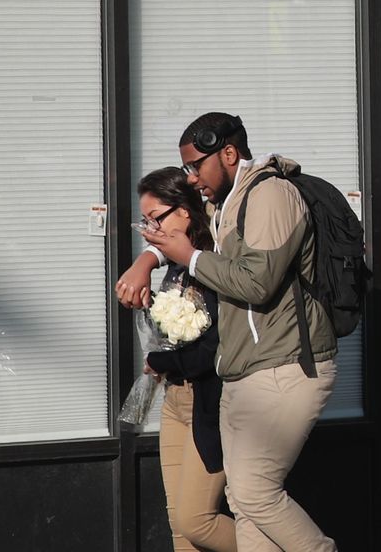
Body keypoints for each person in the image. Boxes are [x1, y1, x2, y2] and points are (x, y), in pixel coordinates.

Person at [119, 113, 339, 552]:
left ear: (229, 153)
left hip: (285, 366)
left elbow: (257, 280)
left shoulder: (271, 194)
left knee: (256, 493)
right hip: (243, 374)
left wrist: (190, 257)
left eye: (195, 167)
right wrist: (147, 260)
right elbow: (182, 226)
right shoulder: (223, 203)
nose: (191, 178)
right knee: (242, 501)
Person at [135, 167, 237, 552]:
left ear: (185, 211)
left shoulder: (212, 261)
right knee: (180, 526)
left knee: (196, 521)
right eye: (144, 222)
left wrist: (160, 362)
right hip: (175, 402)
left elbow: (211, 353)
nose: (150, 230)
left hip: (208, 404)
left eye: (155, 218)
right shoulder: (174, 263)